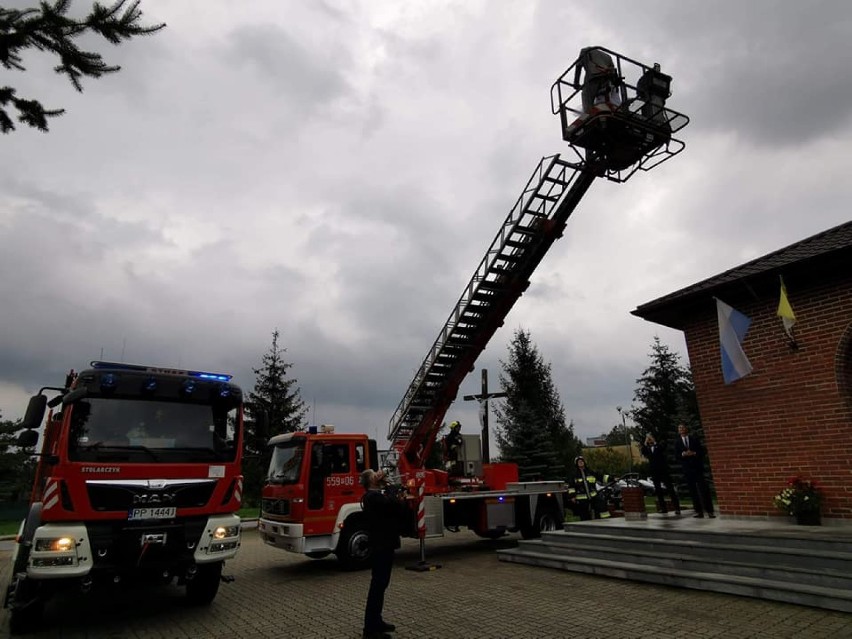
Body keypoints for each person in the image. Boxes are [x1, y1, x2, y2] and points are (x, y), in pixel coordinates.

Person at [360, 469, 406, 639]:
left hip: (383, 545)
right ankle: (370, 630)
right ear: (370, 481)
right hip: (382, 546)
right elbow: (395, 505)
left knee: (380, 586)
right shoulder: (373, 497)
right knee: (378, 587)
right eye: (374, 475)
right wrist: (390, 488)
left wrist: (388, 488)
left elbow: (395, 507)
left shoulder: (375, 496)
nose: (378, 475)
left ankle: (376, 621)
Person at [674, 424, 715, 518]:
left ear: (686, 429)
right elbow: (676, 456)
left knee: (704, 489)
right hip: (687, 469)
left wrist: (694, 453)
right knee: (693, 491)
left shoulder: (694, 439)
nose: (681, 429)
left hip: (697, 468)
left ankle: (710, 511)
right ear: (678, 431)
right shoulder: (677, 442)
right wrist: (683, 454)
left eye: (683, 427)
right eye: (679, 428)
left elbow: (702, 451)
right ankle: (698, 511)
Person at [640, 434, 680, 515]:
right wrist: (645, 441)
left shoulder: (659, 446)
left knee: (670, 489)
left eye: (651, 439)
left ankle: (677, 508)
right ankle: (663, 508)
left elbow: (663, 447)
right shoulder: (647, 449)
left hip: (663, 471)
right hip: (654, 472)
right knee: (658, 491)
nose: (650, 440)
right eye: (649, 439)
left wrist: (654, 441)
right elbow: (643, 451)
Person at [569, 456, 611, 520]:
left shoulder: (590, 472)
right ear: (576, 464)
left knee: (601, 504)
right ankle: (587, 524)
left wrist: (611, 478)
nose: (581, 462)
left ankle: (605, 520)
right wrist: (572, 496)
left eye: (582, 461)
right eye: (579, 462)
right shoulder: (574, 475)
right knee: (584, 513)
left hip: (593, 495)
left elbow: (600, 477)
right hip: (582, 497)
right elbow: (571, 486)